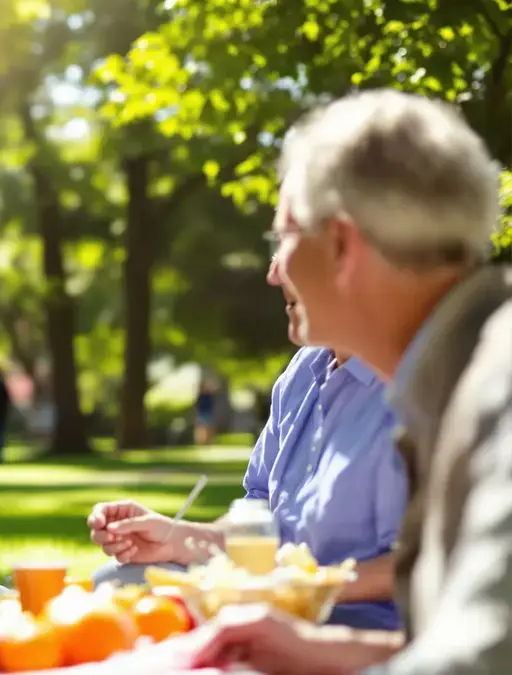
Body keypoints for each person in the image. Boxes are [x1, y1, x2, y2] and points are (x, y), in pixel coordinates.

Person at [188, 90, 512, 674]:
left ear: (341, 244)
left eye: (284, 238)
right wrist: (318, 651)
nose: (275, 271)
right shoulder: (457, 376)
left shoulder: (498, 384)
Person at [87, 259, 407, 631]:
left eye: (290, 241)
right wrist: (176, 539)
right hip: (269, 604)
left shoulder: (410, 387)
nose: (274, 271)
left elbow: (421, 563)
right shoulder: (303, 372)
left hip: (358, 627)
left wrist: (300, 588)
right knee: (113, 582)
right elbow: (259, 521)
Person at [193, 377, 217, 445]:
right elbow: (197, 406)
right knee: (201, 429)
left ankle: (208, 442)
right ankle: (200, 442)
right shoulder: (200, 395)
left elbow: (215, 388)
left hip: (208, 413)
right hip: (202, 413)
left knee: (209, 428)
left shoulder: (209, 395)